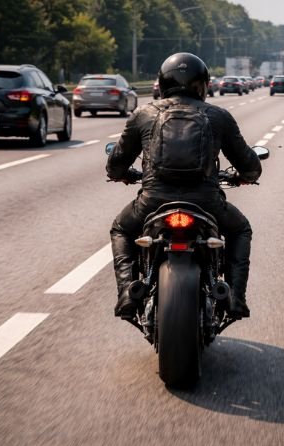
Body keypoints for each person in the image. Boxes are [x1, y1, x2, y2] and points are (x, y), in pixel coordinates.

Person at [106, 53, 261, 321]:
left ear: (162, 83)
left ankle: (128, 294)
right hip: (206, 201)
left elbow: (116, 164)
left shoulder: (144, 114)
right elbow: (249, 164)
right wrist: (243, 176)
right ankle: (235, 297)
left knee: (122, 228)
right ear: (203, 84)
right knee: (239, 229)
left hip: (153, 201)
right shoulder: (218, 116)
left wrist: (123, 175)